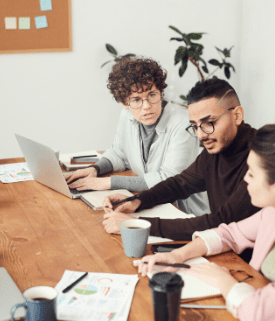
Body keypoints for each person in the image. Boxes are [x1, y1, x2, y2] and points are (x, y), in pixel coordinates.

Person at [138, 124, 275, 321]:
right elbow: (230, 233)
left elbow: (259, 314)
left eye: (252, 174)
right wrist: (178, 255)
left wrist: (222, 278)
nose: (245, 178)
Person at [102, 78, 260, 242]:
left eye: (209, 122)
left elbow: (221, 222)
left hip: (250, 261)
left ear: (237, 115)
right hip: (223, 246)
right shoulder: (216, 149)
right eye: (195, 126)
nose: (201, 135)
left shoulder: (261, 159)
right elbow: (180, 184)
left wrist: (137, 224)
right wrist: (137, 201)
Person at [65, 57, 209, 216]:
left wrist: (107, 183)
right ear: (124, 103)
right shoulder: (127, 116)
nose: (146, 106)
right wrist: (95, 169)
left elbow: (168, 179)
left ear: (161, 92)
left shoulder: (182, 124)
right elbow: (119, 154)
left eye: (152, 95)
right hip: (150, 202)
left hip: (182, 212)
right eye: (136, 100)